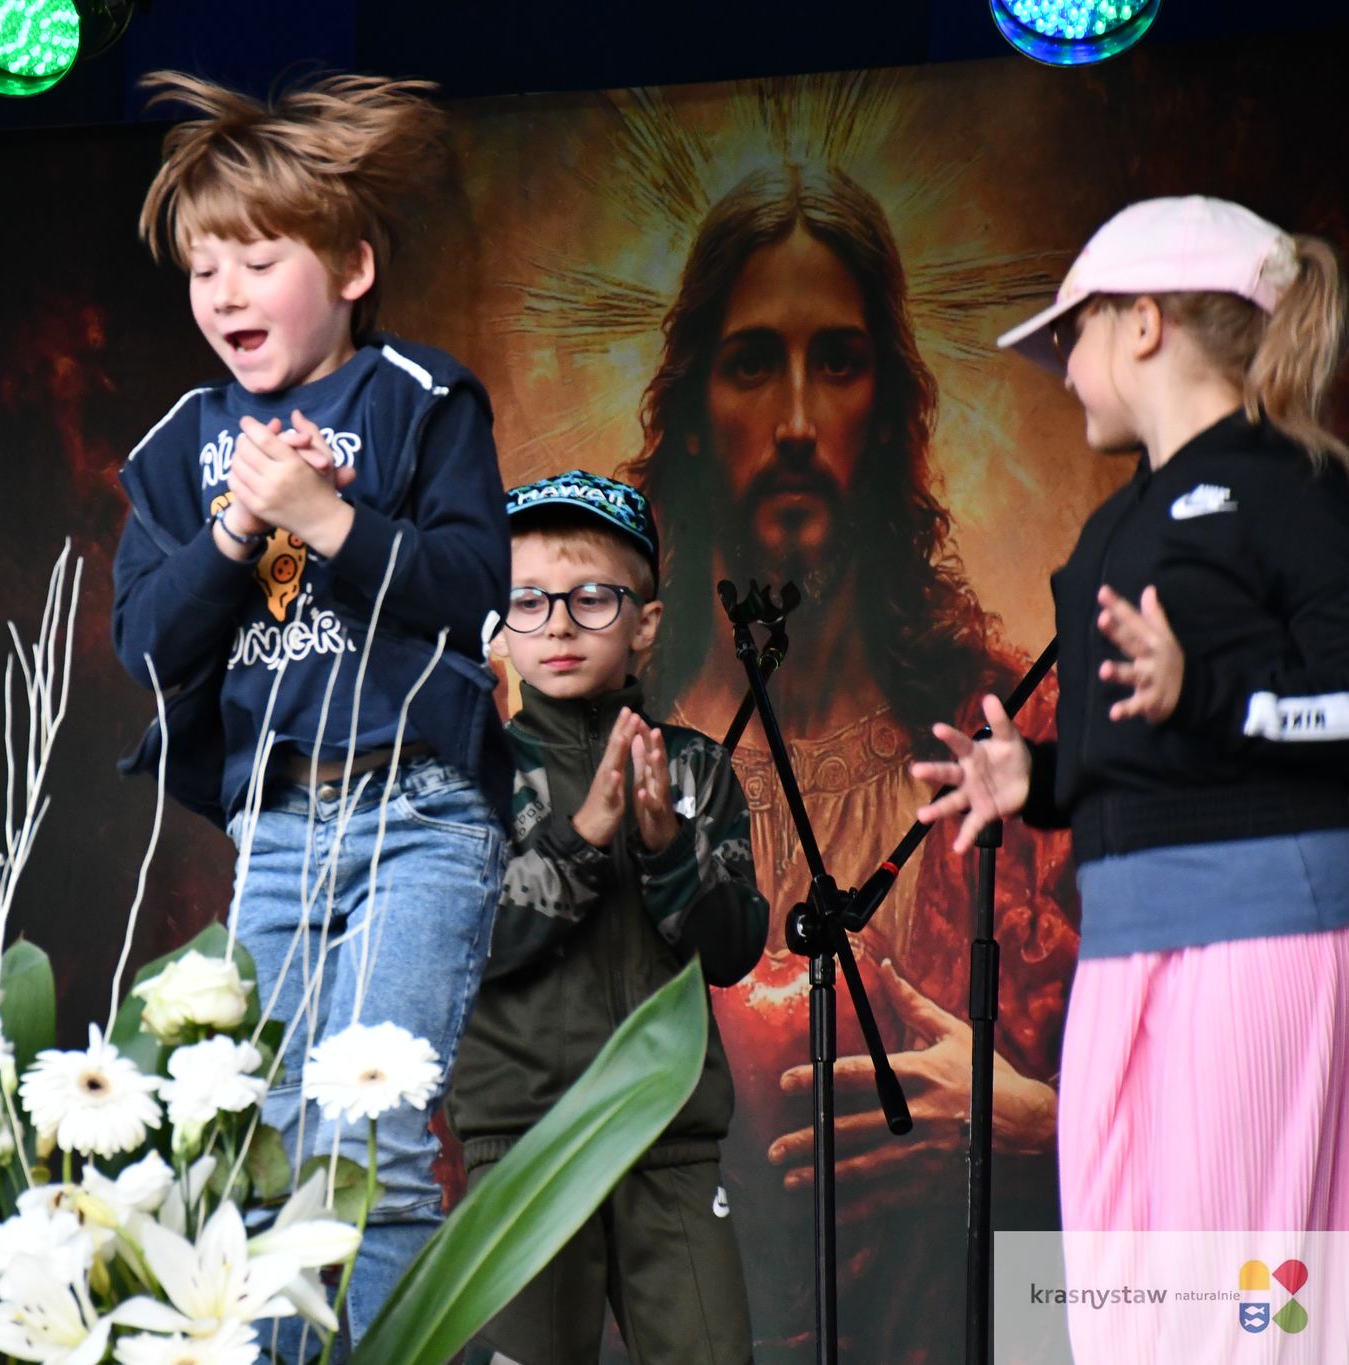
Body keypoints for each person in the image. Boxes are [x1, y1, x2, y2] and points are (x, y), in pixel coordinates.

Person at [618, 163, 1079, 1362]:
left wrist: (1035, 1131)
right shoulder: (608, 734)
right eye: (748, 363)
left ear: (887, 409)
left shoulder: (1011, 728)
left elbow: (1193, 1090)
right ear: (691, 407)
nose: (792, 422)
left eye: (836, 362)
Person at [113, 71, 512, 1342]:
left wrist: (326, 520)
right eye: (202, 270)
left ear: (348, 266)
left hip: (420, 810)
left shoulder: (418, 398)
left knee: (369, 1141)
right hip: (278, 828)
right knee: (270, 1148)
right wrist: (239, 526)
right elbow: (144, 645)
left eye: (256, 260)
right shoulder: (179, 445)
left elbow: (472, 593)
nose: (224, 293)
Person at [915, 196, 1349, 1353]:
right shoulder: (1113, 526)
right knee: (1119, 1306)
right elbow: (1141, 741)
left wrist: (1207, 689)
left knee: (1247, 1304)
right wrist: (1036, 778)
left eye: (1071, 334)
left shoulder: (1297, 487)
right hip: (1122, 946)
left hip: (1259, 940)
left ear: (1143, 323)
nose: (1062, 369)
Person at [449, 470, 766, 1364]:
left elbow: (733, 947)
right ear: (499, 627)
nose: (557, 624)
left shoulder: (696, 769)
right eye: (529, 600)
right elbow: (469, 942)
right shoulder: (470, 773)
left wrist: (667, 847)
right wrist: (585, 838)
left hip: (670, 1143)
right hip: (526, 1145)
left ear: (645, 624)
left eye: (591, 598)